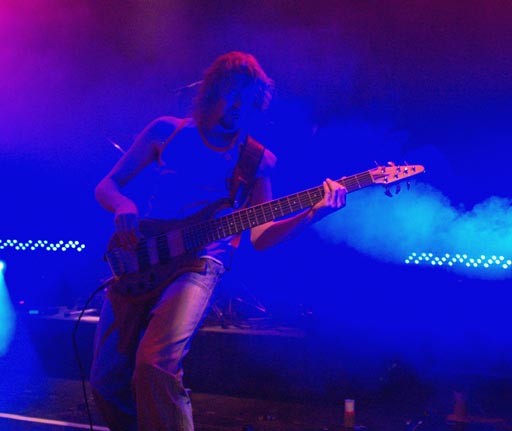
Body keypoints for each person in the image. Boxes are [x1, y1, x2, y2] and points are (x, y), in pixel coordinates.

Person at [89, 51, 347, 431]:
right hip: (145, 256)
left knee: (155, 364)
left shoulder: (257, 159)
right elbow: (107, 185)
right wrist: (123, 204)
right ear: (213, 91)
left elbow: (261, 236)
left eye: (249, 98)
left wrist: (314, 214)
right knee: (106, 381)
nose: (240, 106)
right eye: (233, 94)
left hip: (199, 264)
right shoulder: (166, 131)